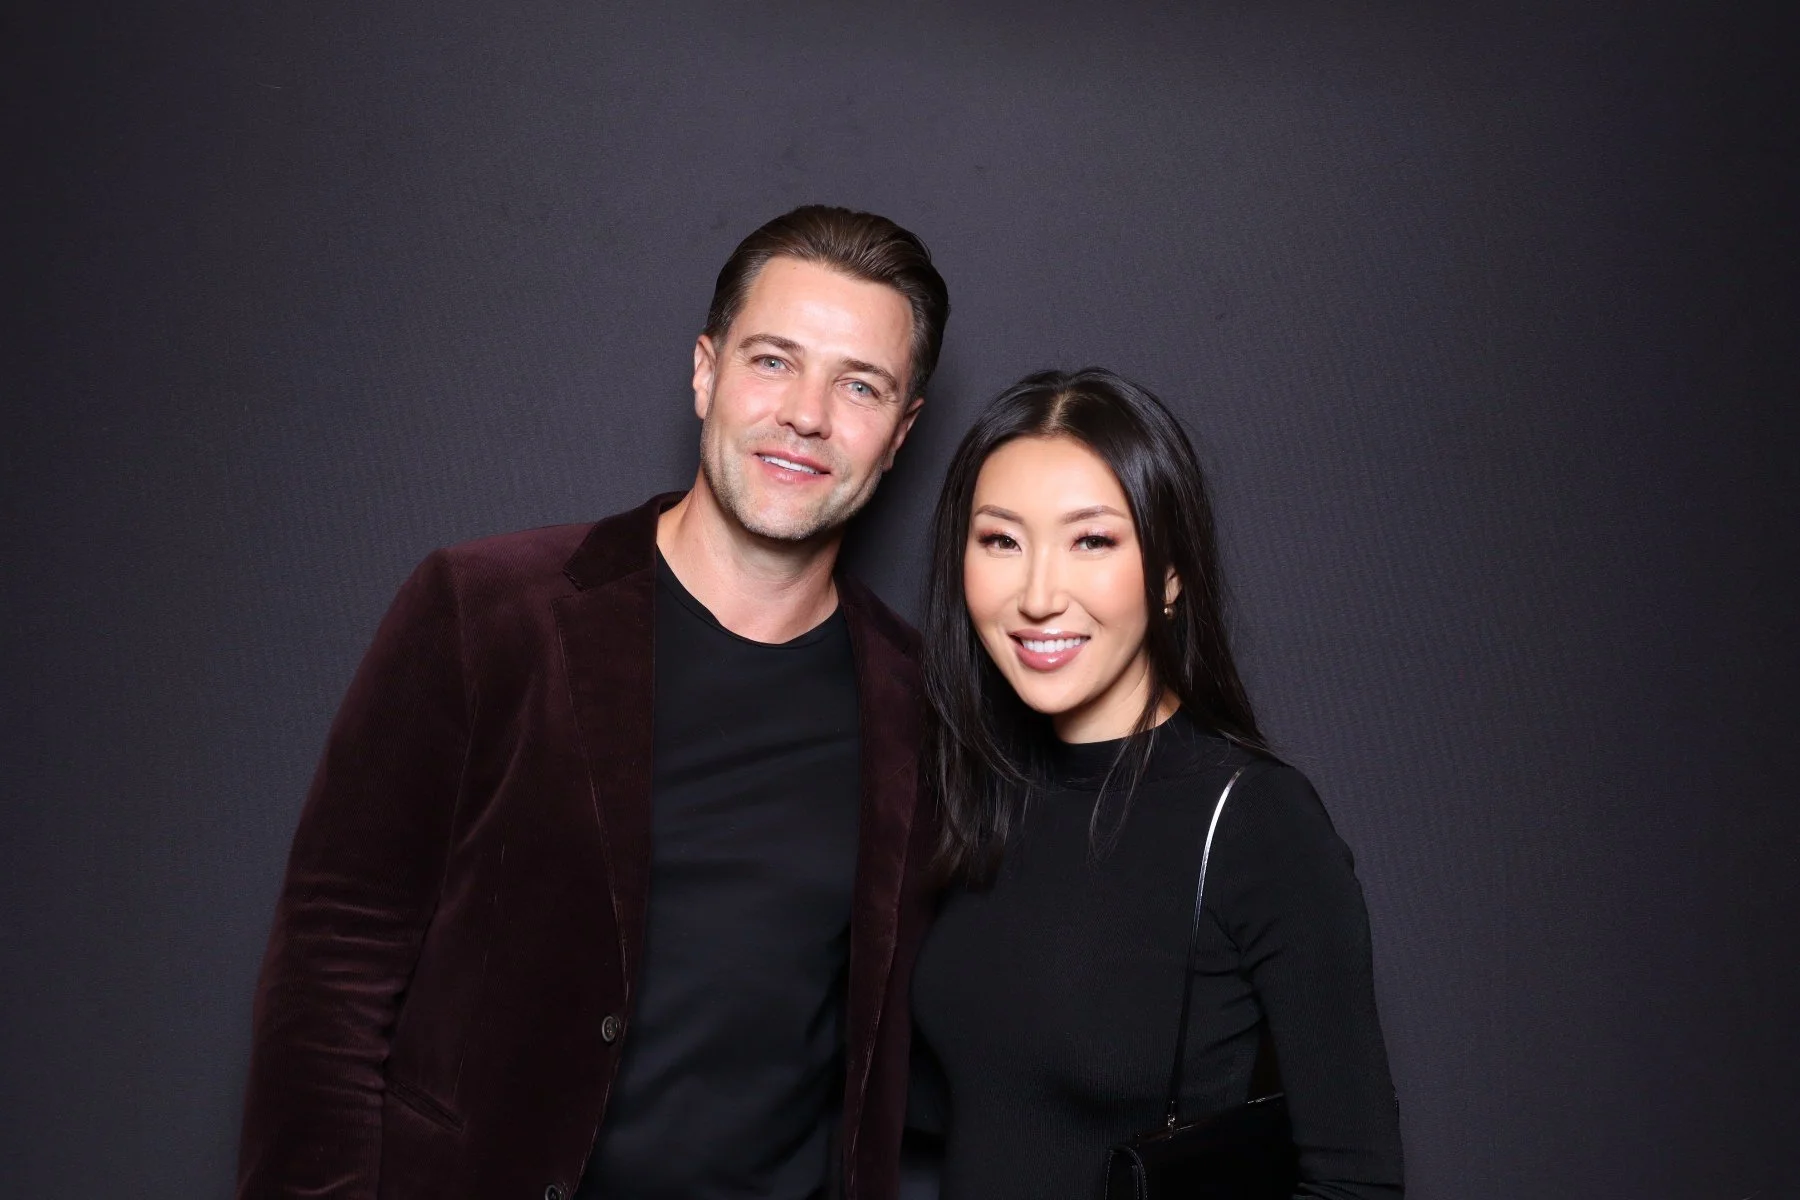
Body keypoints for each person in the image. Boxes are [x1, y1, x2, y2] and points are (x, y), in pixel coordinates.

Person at [237, 205, 950, 1200]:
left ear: (902, 431)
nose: (808, 414)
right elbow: (330, 968)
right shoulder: (486, 612)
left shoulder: (922, 711)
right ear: (706, 372)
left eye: (859, 385)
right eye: (773, 361)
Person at [909, 368, 1404, 1198]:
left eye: (1092, 541)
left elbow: (1355, 1181)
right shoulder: (974, 789)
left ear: (1171, 574)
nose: (1037, 595)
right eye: (1001, 540)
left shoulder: (1255, 821)